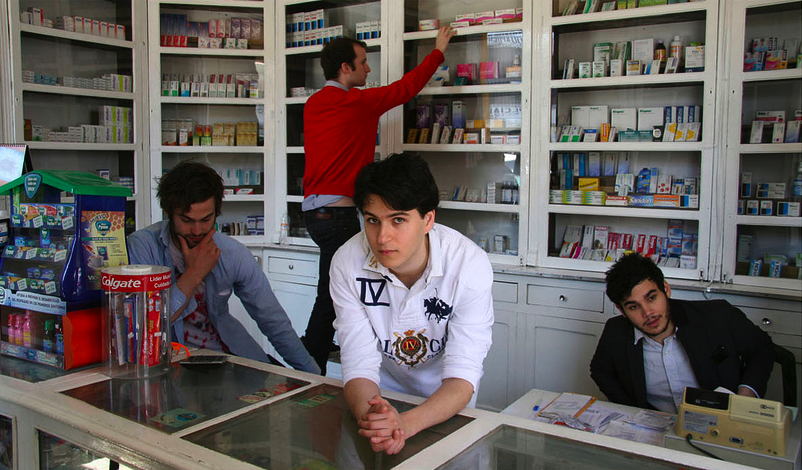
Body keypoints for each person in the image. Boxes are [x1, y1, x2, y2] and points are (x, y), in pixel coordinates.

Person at [301, 26, 457, 374]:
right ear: (345, 68)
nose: (368, 69)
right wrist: (438, 51)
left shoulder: (313, 104)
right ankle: (309, 366)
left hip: (314, 214)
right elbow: (406, 89)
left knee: (333, 289)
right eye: (362, 62)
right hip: (339, 214)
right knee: (337, 295)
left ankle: (316, 354)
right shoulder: (355, 102)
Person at [329, 153, 494, 455]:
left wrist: (404, 425)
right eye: (372, 220)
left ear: (428, 219)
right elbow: (358, 364)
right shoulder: (346, 263)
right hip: (381, 400)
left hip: (446, 407)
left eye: (398, 220)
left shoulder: (468, 264)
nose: (382, 237)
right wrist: (376, 418)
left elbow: (463, 373)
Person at [127, 161, 319, 374]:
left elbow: (273, 320)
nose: (197, 230)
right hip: (170, 367)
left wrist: (314, 375)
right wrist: (194, 273)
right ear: (168, 212)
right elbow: (145, 326)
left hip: (231, 360)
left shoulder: (232, 253)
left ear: (217, 212)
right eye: (186, 220)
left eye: (206, 219)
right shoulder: (143, 246)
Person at [589, 253, 774, 413]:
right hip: (656, 426)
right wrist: (631, 410)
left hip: (720, 421)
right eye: (633, 307)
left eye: (652, 298)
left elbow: (762, 348)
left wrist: (746, 395)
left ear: (666, 289)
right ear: (621, 311)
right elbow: (600, 370)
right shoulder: (615, 332)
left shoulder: (718, 315)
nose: (648, 313)